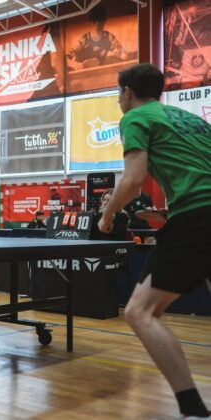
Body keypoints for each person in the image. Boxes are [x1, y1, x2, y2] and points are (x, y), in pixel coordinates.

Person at [98, 63, 211, 418]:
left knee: (139, 312)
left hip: (198, 215)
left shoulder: (135, 117)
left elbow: (133, 180)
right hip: (196, 213)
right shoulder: (191, 120)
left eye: (118, 93)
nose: (119, 100)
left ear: (127, 91)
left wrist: (107, 215)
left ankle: (192, 409)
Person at [67, 5, 126, 70]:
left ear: (104, 20)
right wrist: (78, 66)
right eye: (95, 20)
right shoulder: (84, 40)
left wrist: (121, 54)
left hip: (97, 71)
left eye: (100, 19)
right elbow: (67, 58)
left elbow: (123, 55)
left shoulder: (109, 38)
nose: (97, 23)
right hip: (80, 71)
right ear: (91, 20)